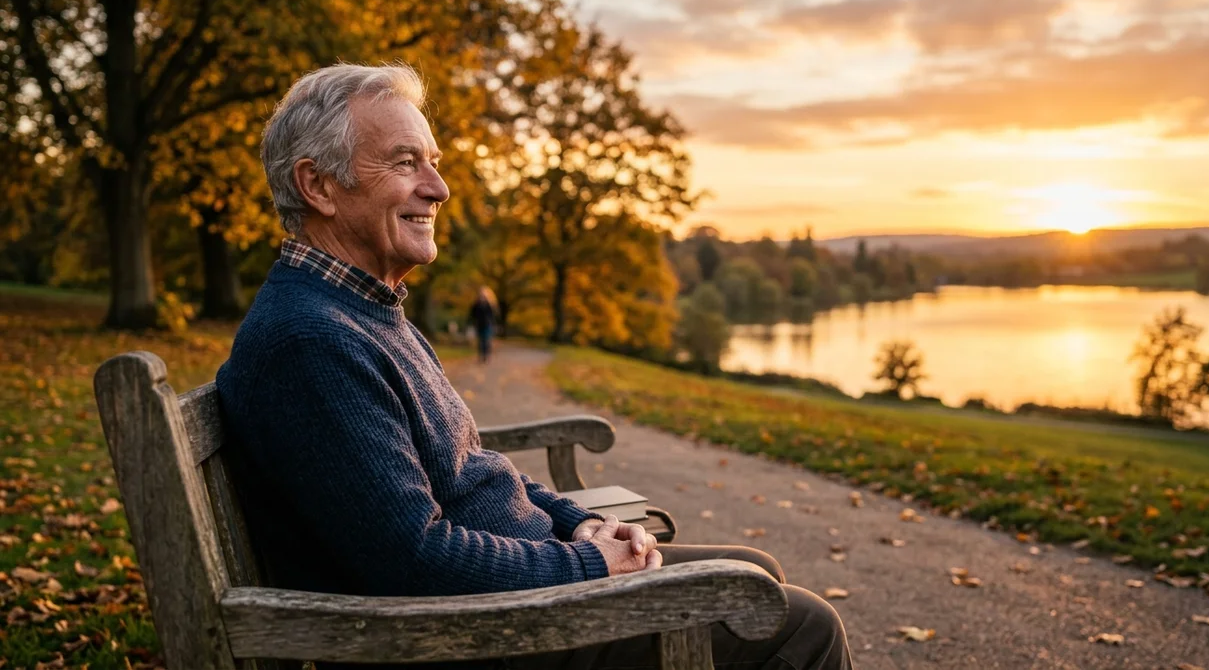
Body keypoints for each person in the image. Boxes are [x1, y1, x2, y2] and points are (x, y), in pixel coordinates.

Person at [216, 63, 851, 670]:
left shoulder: (364, 312)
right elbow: (414, 563)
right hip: (476, 640)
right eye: (405, 163)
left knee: (754, 572)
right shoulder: (309, 341)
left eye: (433, 164)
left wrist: (582, 525)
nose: (437, 188)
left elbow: (470, 471)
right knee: (800, 624)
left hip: (514, 598)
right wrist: (590, 566)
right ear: (319, 186)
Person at [468, 285, 498, 362]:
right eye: (481, 294)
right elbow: (472, 314)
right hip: (479, 325)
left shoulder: (489, 305)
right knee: (480, 342)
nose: (482, 296)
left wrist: (494, 325)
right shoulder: (476, 305)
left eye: (484, 294)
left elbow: (493, 315)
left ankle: (487, 356)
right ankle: (481, 356)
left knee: (486, 340)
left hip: (488, 325)